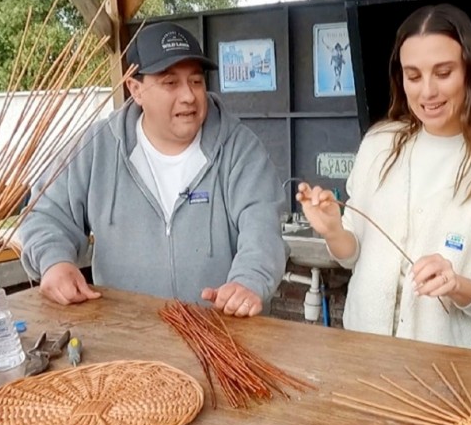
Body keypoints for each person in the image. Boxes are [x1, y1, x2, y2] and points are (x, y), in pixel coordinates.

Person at [297, 4, 471, 351]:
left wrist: (457, 285)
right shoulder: (379, 146)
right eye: (413, 76)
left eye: (443, 73)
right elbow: (350, 256)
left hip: (451, 370)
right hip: (365, 356)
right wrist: (333, 231)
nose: (427, 91)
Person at [19, 22, 286, 317]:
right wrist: (54, 262)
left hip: (223, 330)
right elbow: (45, 213)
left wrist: (248, 281)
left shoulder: (239, 148)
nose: (188, 96)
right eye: (170, 83)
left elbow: (263, 227)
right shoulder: (97, 147)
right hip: (126, 331)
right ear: (136, 89)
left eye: (196, 81)